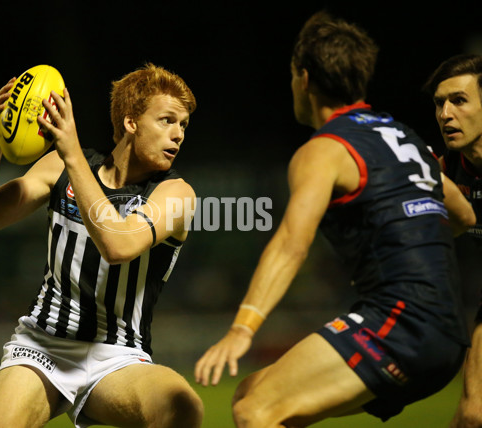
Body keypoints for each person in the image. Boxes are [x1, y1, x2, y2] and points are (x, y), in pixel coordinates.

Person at [194, 11, 476, 427]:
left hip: (401, 324)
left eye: (293, 75)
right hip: (447, 333)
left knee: (254, 412)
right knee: (254, 392)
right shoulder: (404, 138)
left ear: (304, 79)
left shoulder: (324, 150)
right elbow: (463, 213)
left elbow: (292, 243)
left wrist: (242, 329)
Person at [0, 63, 203, 428]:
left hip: (118, 356)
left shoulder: (176, 194)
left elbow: (118, 245)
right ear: (131, 122)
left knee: (182, 407)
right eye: (167, 120)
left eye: (183, 124)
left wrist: (72, 153)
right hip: (41, 345)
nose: (178, 134)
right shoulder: (60, 164)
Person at [424, 54, 482, 428]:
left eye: (458, 100)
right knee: (473, 414)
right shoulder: (445, 172)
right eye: (439, 103)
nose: (446, 113)